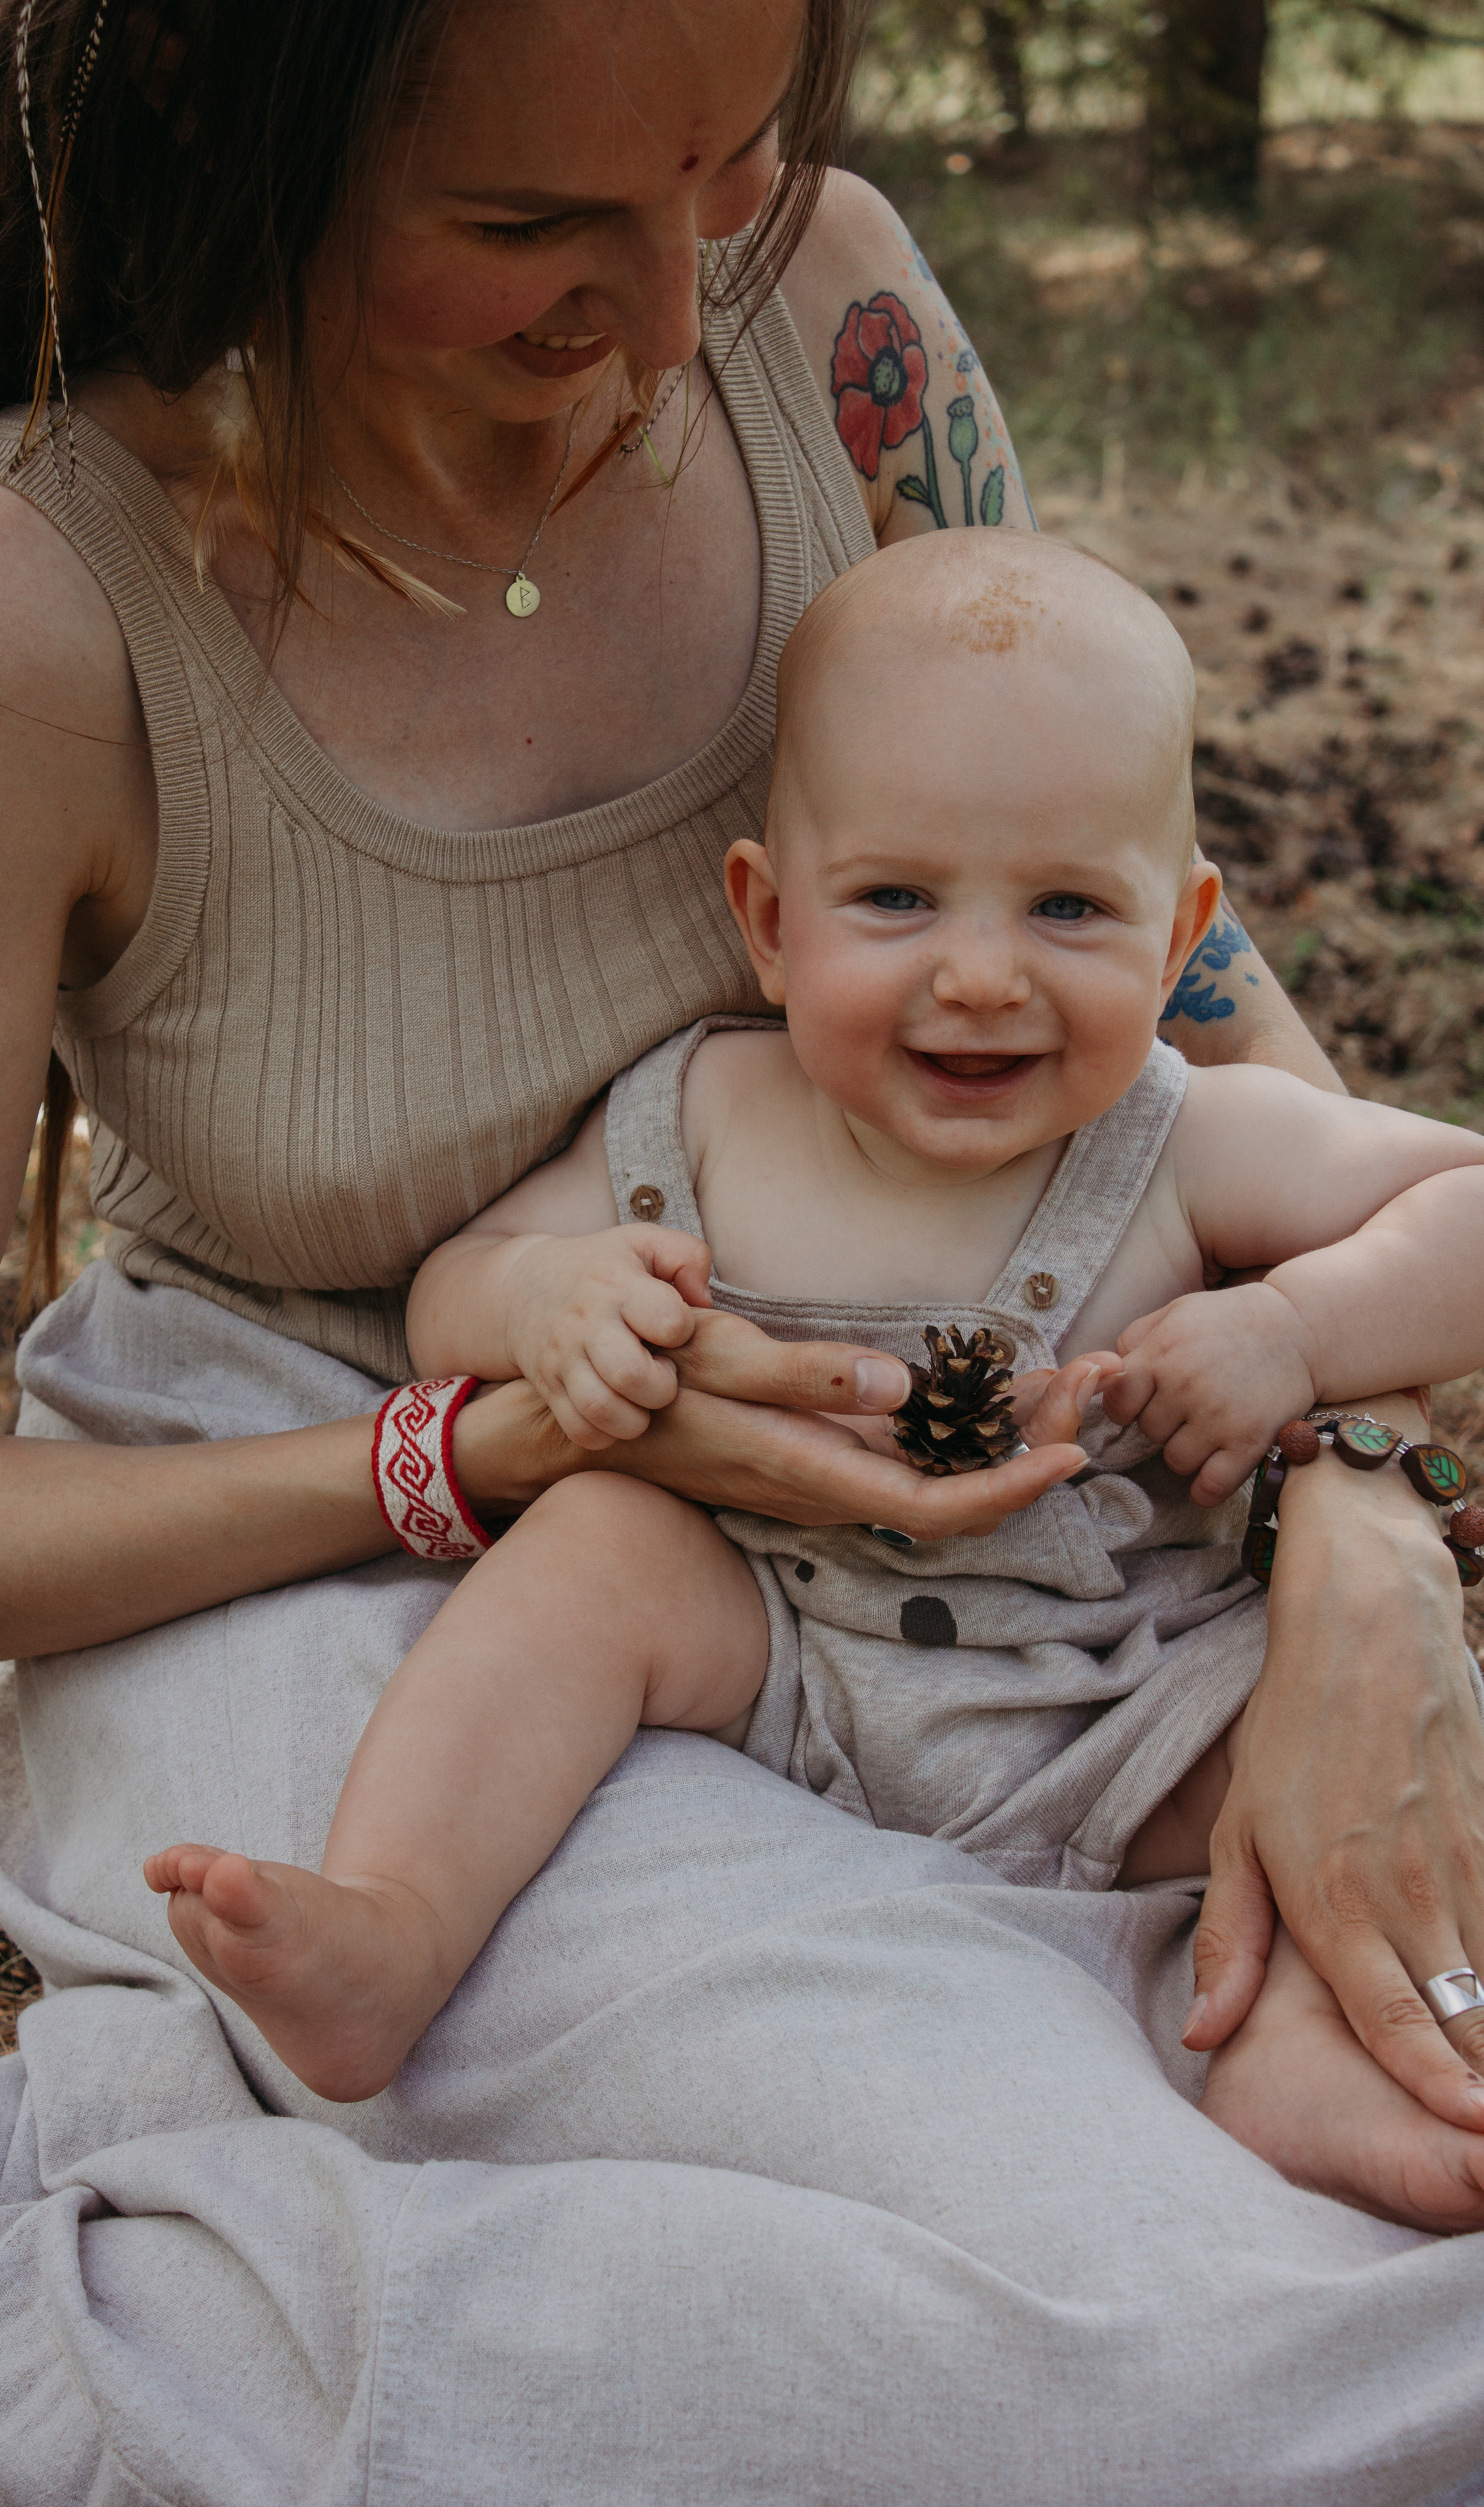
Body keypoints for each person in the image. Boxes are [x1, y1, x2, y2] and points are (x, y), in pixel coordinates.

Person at [0, 0, 1484, 2495]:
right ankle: (4, 2313)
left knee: (1366, 2162)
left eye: (726, 161)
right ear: (215, 101)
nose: (686, 300)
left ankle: (128, 2136)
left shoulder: (838, 318)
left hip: (1024, 1615)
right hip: (362, 1592)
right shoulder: (25, 616)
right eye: (528, 224)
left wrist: (1358, 1523)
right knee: (1195, 2358)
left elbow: (1181, 1013)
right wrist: (479, 1445)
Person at [145, 531, 1484, 2207]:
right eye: (896, 898)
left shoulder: (1188, 1140)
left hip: (1133, 1698)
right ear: (770, 922)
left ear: (1177, 938)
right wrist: (550, 1297)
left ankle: (1285, 2042)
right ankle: (397, 1922)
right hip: (776, 1655)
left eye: (1068, 907)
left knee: (1335, 1753)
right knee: (595, 1554)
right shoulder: (699, 1113)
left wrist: (1295, 1328)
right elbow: (452, 1292)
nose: (979, 973)